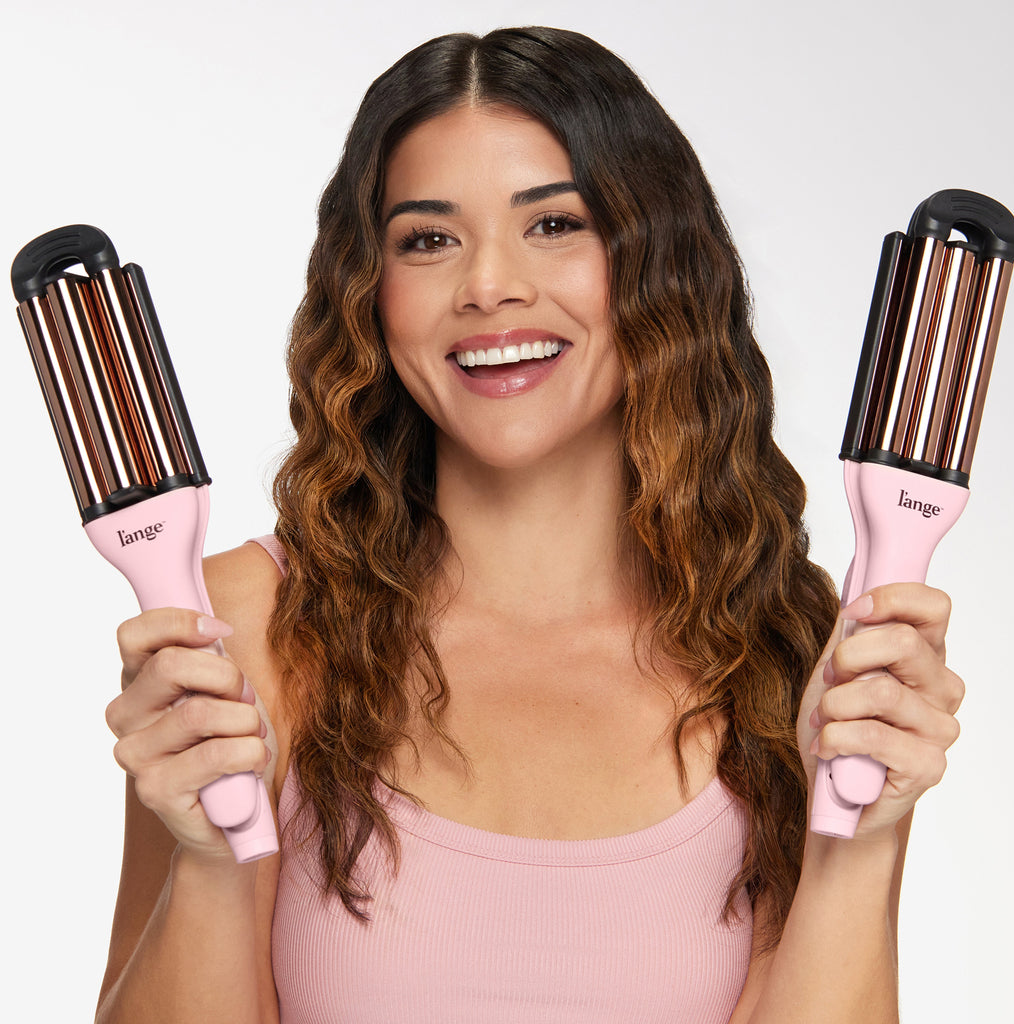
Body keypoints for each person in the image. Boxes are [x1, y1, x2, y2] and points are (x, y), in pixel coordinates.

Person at [94, 27, 962, 1024]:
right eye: (427, 238)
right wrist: (208, 866)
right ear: (371, 295)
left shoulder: (787, 655)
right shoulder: (237, 630)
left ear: (655, 262)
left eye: (553, 224)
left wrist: (862, 840)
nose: (487, 285)